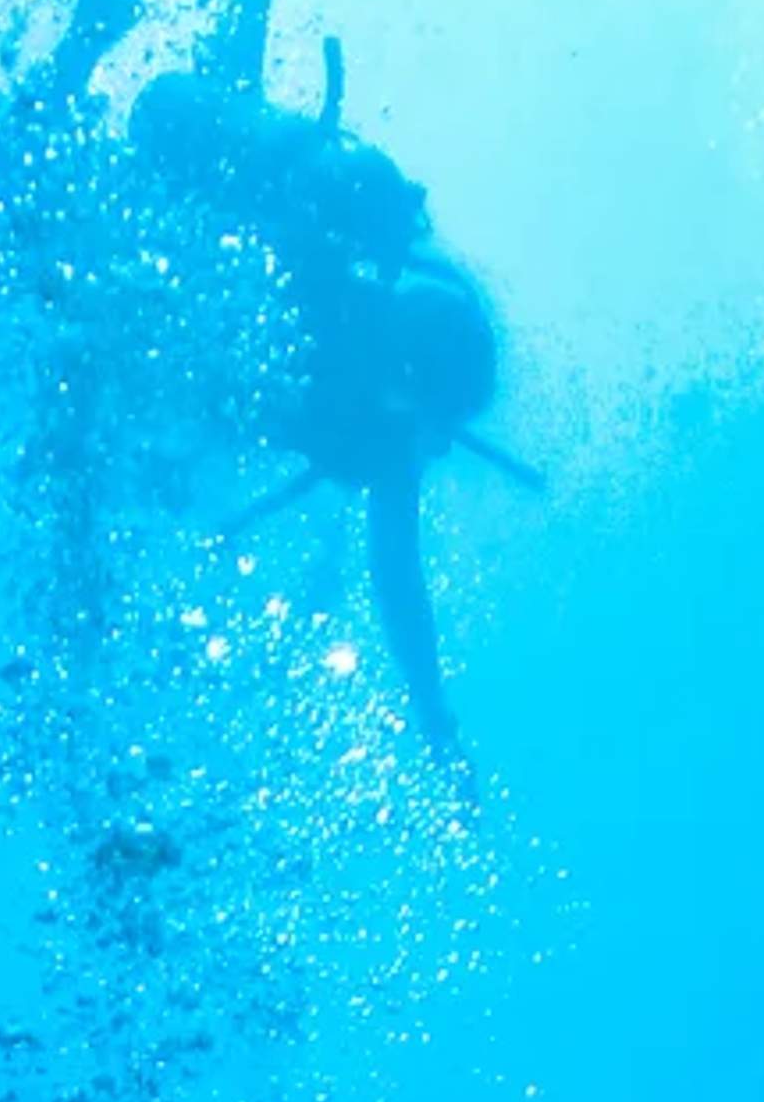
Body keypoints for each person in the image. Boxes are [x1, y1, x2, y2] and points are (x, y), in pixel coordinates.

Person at [125, 59, 511, 761]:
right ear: (411, 384)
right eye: (437, 424)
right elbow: (397, 576)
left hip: (183, 184)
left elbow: (399, 580)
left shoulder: (377, 385)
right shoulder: (308, 264)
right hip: (172, 172)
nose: (437, 450)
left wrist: (436, 720)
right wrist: (435, 723)